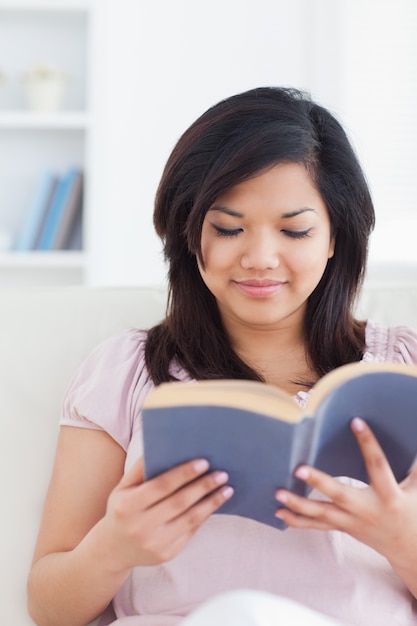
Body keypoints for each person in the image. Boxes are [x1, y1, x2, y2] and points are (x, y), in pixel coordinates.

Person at [27, 87, 417, 626]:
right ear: (190, 233)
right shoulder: (125, 372)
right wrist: (113, 547)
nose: (259, 258)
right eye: (228, 228)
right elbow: (49, 608)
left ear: (334, 238)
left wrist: (403, 540)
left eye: (295, 229)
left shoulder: (404, 370)